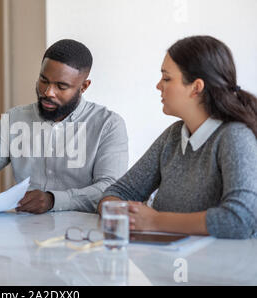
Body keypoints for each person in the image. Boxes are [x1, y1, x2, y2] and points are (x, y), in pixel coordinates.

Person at [99, 36, 257, 239]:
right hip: (168, 263)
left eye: (166, 78)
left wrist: (155, 221)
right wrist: (122, 214)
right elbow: (119, 191)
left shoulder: (235, 137)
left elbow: (240, 219)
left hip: (217, 268)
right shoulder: (173, 135)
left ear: (196, 87)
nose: (158, 86)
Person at [0, 39, 128, 214]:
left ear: (84, 87)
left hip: (83, 237)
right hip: (25, 235)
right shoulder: (15, 119)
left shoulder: (108, 125)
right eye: (44, 80)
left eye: (61, 86)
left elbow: (111, 189)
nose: (48, 92)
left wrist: (53, 200)